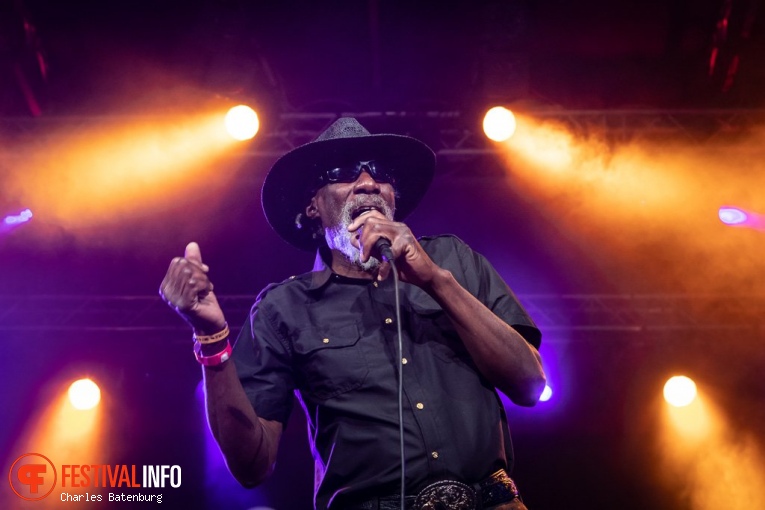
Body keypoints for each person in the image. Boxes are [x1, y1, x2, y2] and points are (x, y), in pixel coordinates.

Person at [160, 117, 546, 510]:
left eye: (380, 173)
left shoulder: (453, 261)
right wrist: (211, 336)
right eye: (343, 173)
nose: (367, 183)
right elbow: (251, 466)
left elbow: (529, 385)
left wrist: (435, 281)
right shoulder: (286, 309)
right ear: (312, 205)